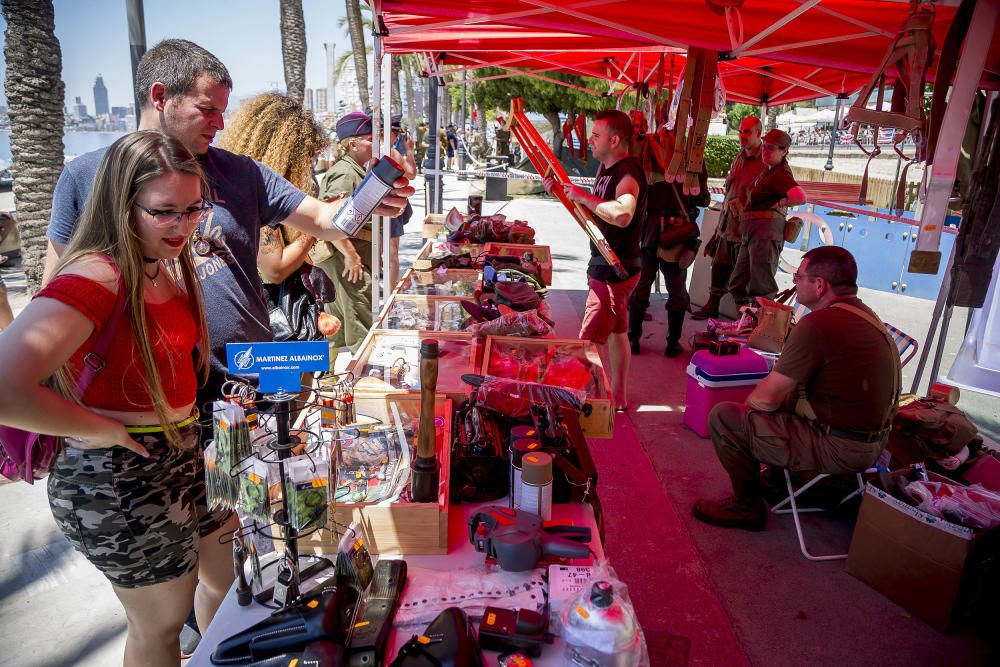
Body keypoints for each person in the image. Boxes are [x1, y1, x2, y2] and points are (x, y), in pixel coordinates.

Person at [44, 39, 412, 409]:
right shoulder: (85, 177)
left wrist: (370, 198)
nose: (220, 123)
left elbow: (322, 219)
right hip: (143, 403)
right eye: (207, 109)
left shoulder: (241, 173)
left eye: (222, 111)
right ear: (160, 97)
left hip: (246, 386)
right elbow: (55, 294)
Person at [0, 131, 232, 665]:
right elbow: (7, 387)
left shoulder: (161, 260)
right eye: (164, 212)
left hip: (187, 452)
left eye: (195, 209)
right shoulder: (96, 276)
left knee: (225, 572)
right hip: (118, 475)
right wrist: (101, 428)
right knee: (161, 625)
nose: (183, 226)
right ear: (121, 204)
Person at [693, 246, 901, 531]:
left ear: (819, 285)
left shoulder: (819, 323)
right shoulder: (865, 315)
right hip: (873, 443)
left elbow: (763, 401)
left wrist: (753, 411)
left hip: (841, 448)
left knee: (725, 418)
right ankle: (777, 483)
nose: (794, 282)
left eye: (799, 276)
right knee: (786, 400)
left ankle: (747, 508)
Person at [543, 109, 646, 411]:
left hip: (614, 268)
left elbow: (623, 213)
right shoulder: (607, 169)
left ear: (614, 140)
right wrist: (566, 196)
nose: (590, 139)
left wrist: (582, 197)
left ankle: (584, 398)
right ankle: (618, 396)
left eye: (596, 135)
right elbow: (597, 213)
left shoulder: (628, 173)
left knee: (588, 342)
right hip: (612, 263)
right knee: (617, 333)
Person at [216, 93, 327, 286]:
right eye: (307, 159)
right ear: (288, 157)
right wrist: (315, 228)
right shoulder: (262, 196)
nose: (307, 169)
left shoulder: (238, 184)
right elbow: (276, 270)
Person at [627, 164, 710, 357]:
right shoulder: (692, 160)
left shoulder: (650, 156)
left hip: (656, 233)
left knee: (645, 287)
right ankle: (671, 344)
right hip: (671, 233)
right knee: (674, 290)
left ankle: (635, 340)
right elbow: (703, 199)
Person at [692, 116, 766, 320]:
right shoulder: (738, 157)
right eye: (741, 131)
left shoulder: (766, 161)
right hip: (727, 226)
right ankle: (712, 305)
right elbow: (729, 192)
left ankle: (745, 320)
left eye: (747, 132)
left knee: (742, 279)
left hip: (748, 230)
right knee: (719, 268)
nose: (742, 136)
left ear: (758, 134)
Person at [316, 112, 376, 355]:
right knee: (358, 317)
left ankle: (331, 381)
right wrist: (351, 255)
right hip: (346, 258)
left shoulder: (354, 170)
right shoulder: (345, 174)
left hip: (348, 256)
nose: (376, 143)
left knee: (340, 323)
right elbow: (332, 219)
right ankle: (365, 379)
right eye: (370, 138)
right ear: (353, 144)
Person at [726, 128, 807, 305]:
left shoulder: (781, 174)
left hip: (765, 235)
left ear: (784, 151)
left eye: (771, 148)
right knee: (738, 284)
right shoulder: (769, 170)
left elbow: (800, 196)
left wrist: (780, 204)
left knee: (762, 288)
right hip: (754, 234)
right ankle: (747, 323)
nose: (765, 150)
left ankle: (760, 329)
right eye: (765, 146)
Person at [388, 114, 418, 287]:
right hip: (391, 205)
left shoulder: (375, 149)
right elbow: (411, 173)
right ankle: (391, 293)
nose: (399, 136)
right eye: (397, 131)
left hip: (375, 205)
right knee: (393, 254)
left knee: (379, 251)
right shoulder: (391, 151)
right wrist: (410, 150)